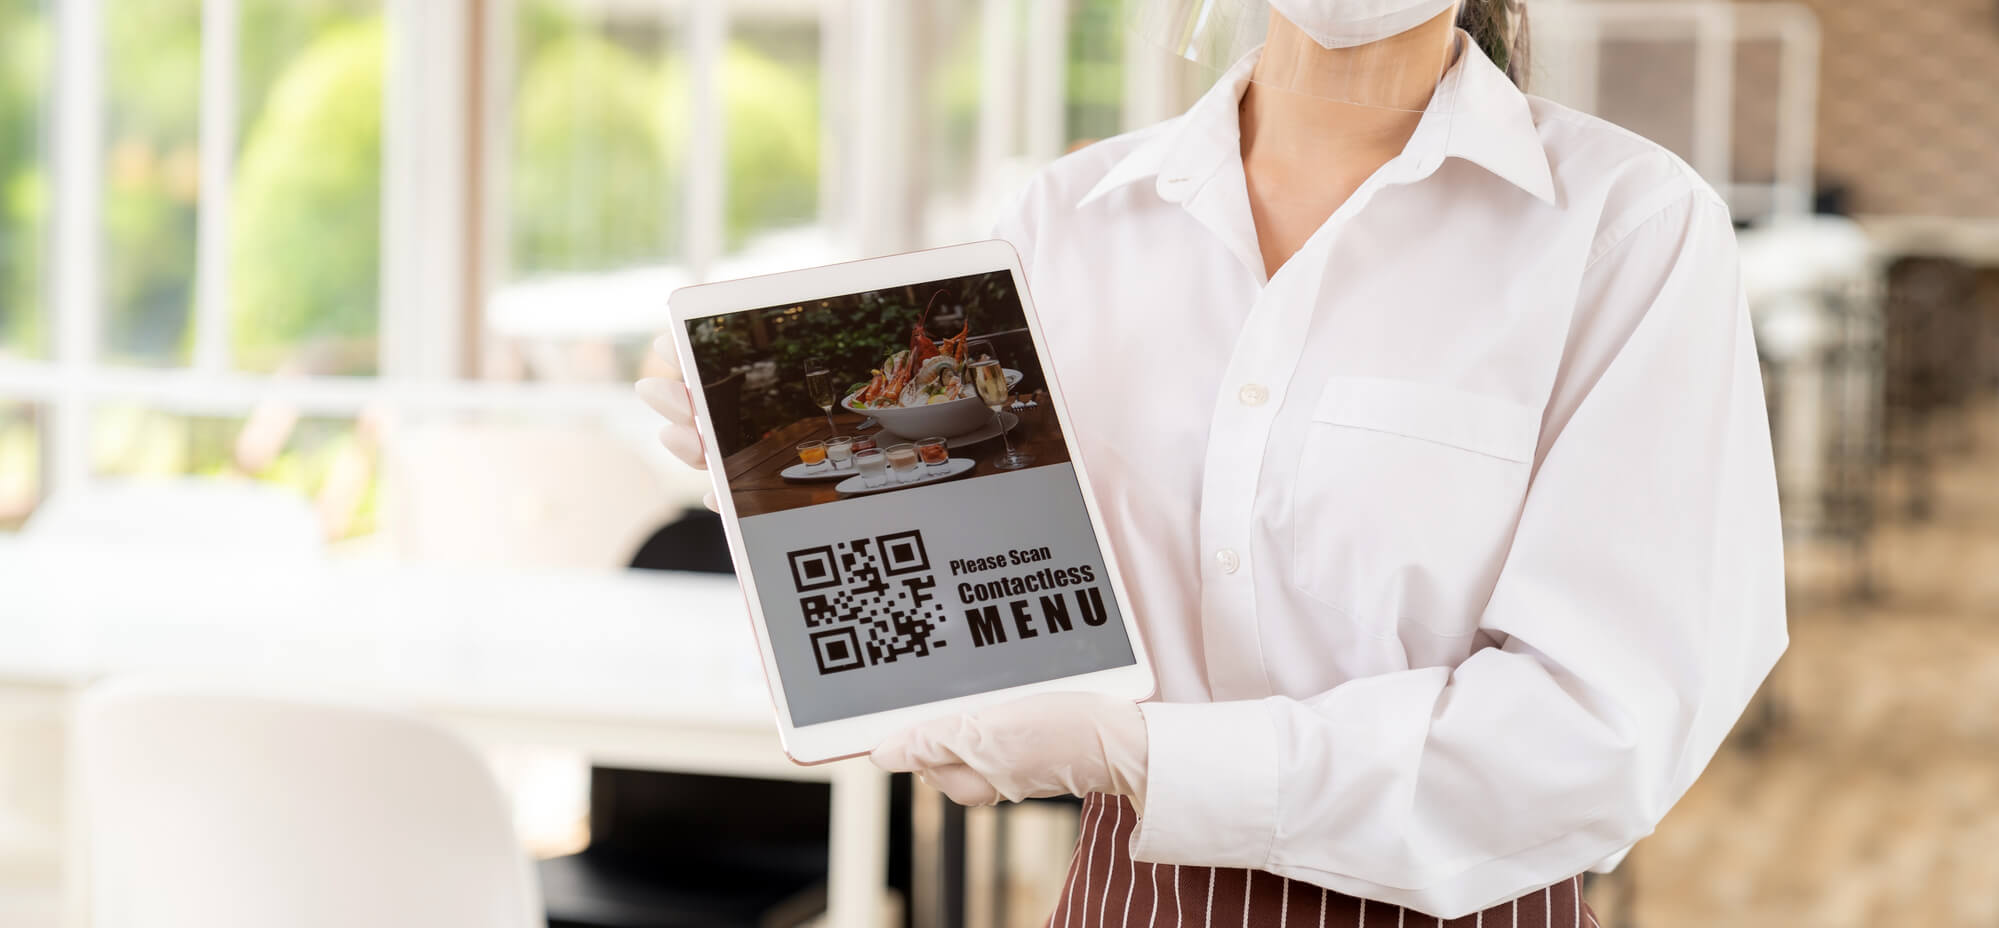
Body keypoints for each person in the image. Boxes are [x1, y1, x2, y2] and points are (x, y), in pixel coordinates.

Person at [637, 0, 1787, 923]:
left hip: (1463, 907)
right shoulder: (1074, 219)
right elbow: (965, 563)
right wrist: (771, 423)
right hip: (1122, 897)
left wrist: (1148, 752)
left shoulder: (1627, 228)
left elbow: (1599, 724)